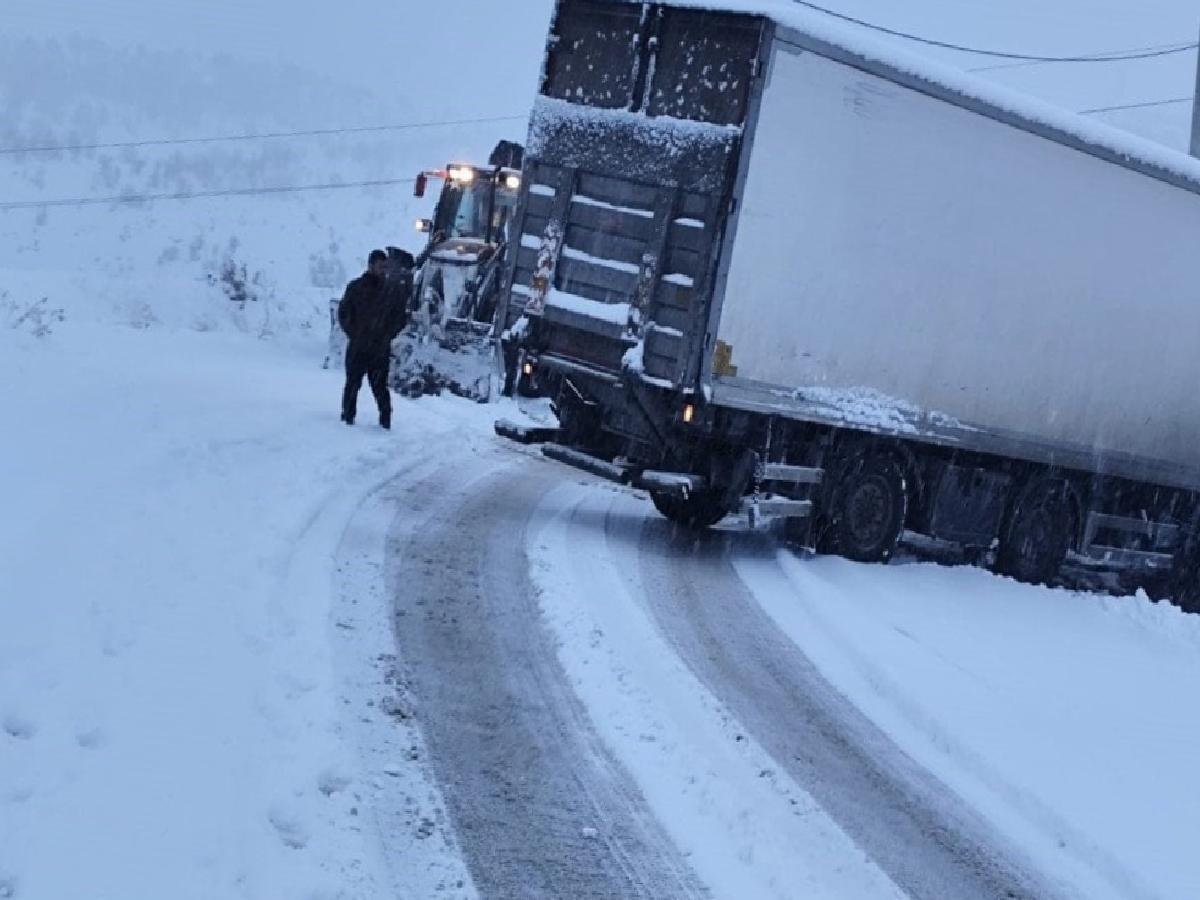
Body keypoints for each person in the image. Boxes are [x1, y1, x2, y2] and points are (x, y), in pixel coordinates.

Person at [338, 249, 407, 429]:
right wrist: (354, 333)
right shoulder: (356, 288)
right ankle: (347, 419)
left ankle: (385, 422)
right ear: (370, 266)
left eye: (384, 266)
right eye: (379, 265)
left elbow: (400, 318)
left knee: (380, 387)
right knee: (353, 384)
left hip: (379, 349)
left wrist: (387, 336)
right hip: (358, 347)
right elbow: (344, 313)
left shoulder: (392, 292)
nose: (382, 269)